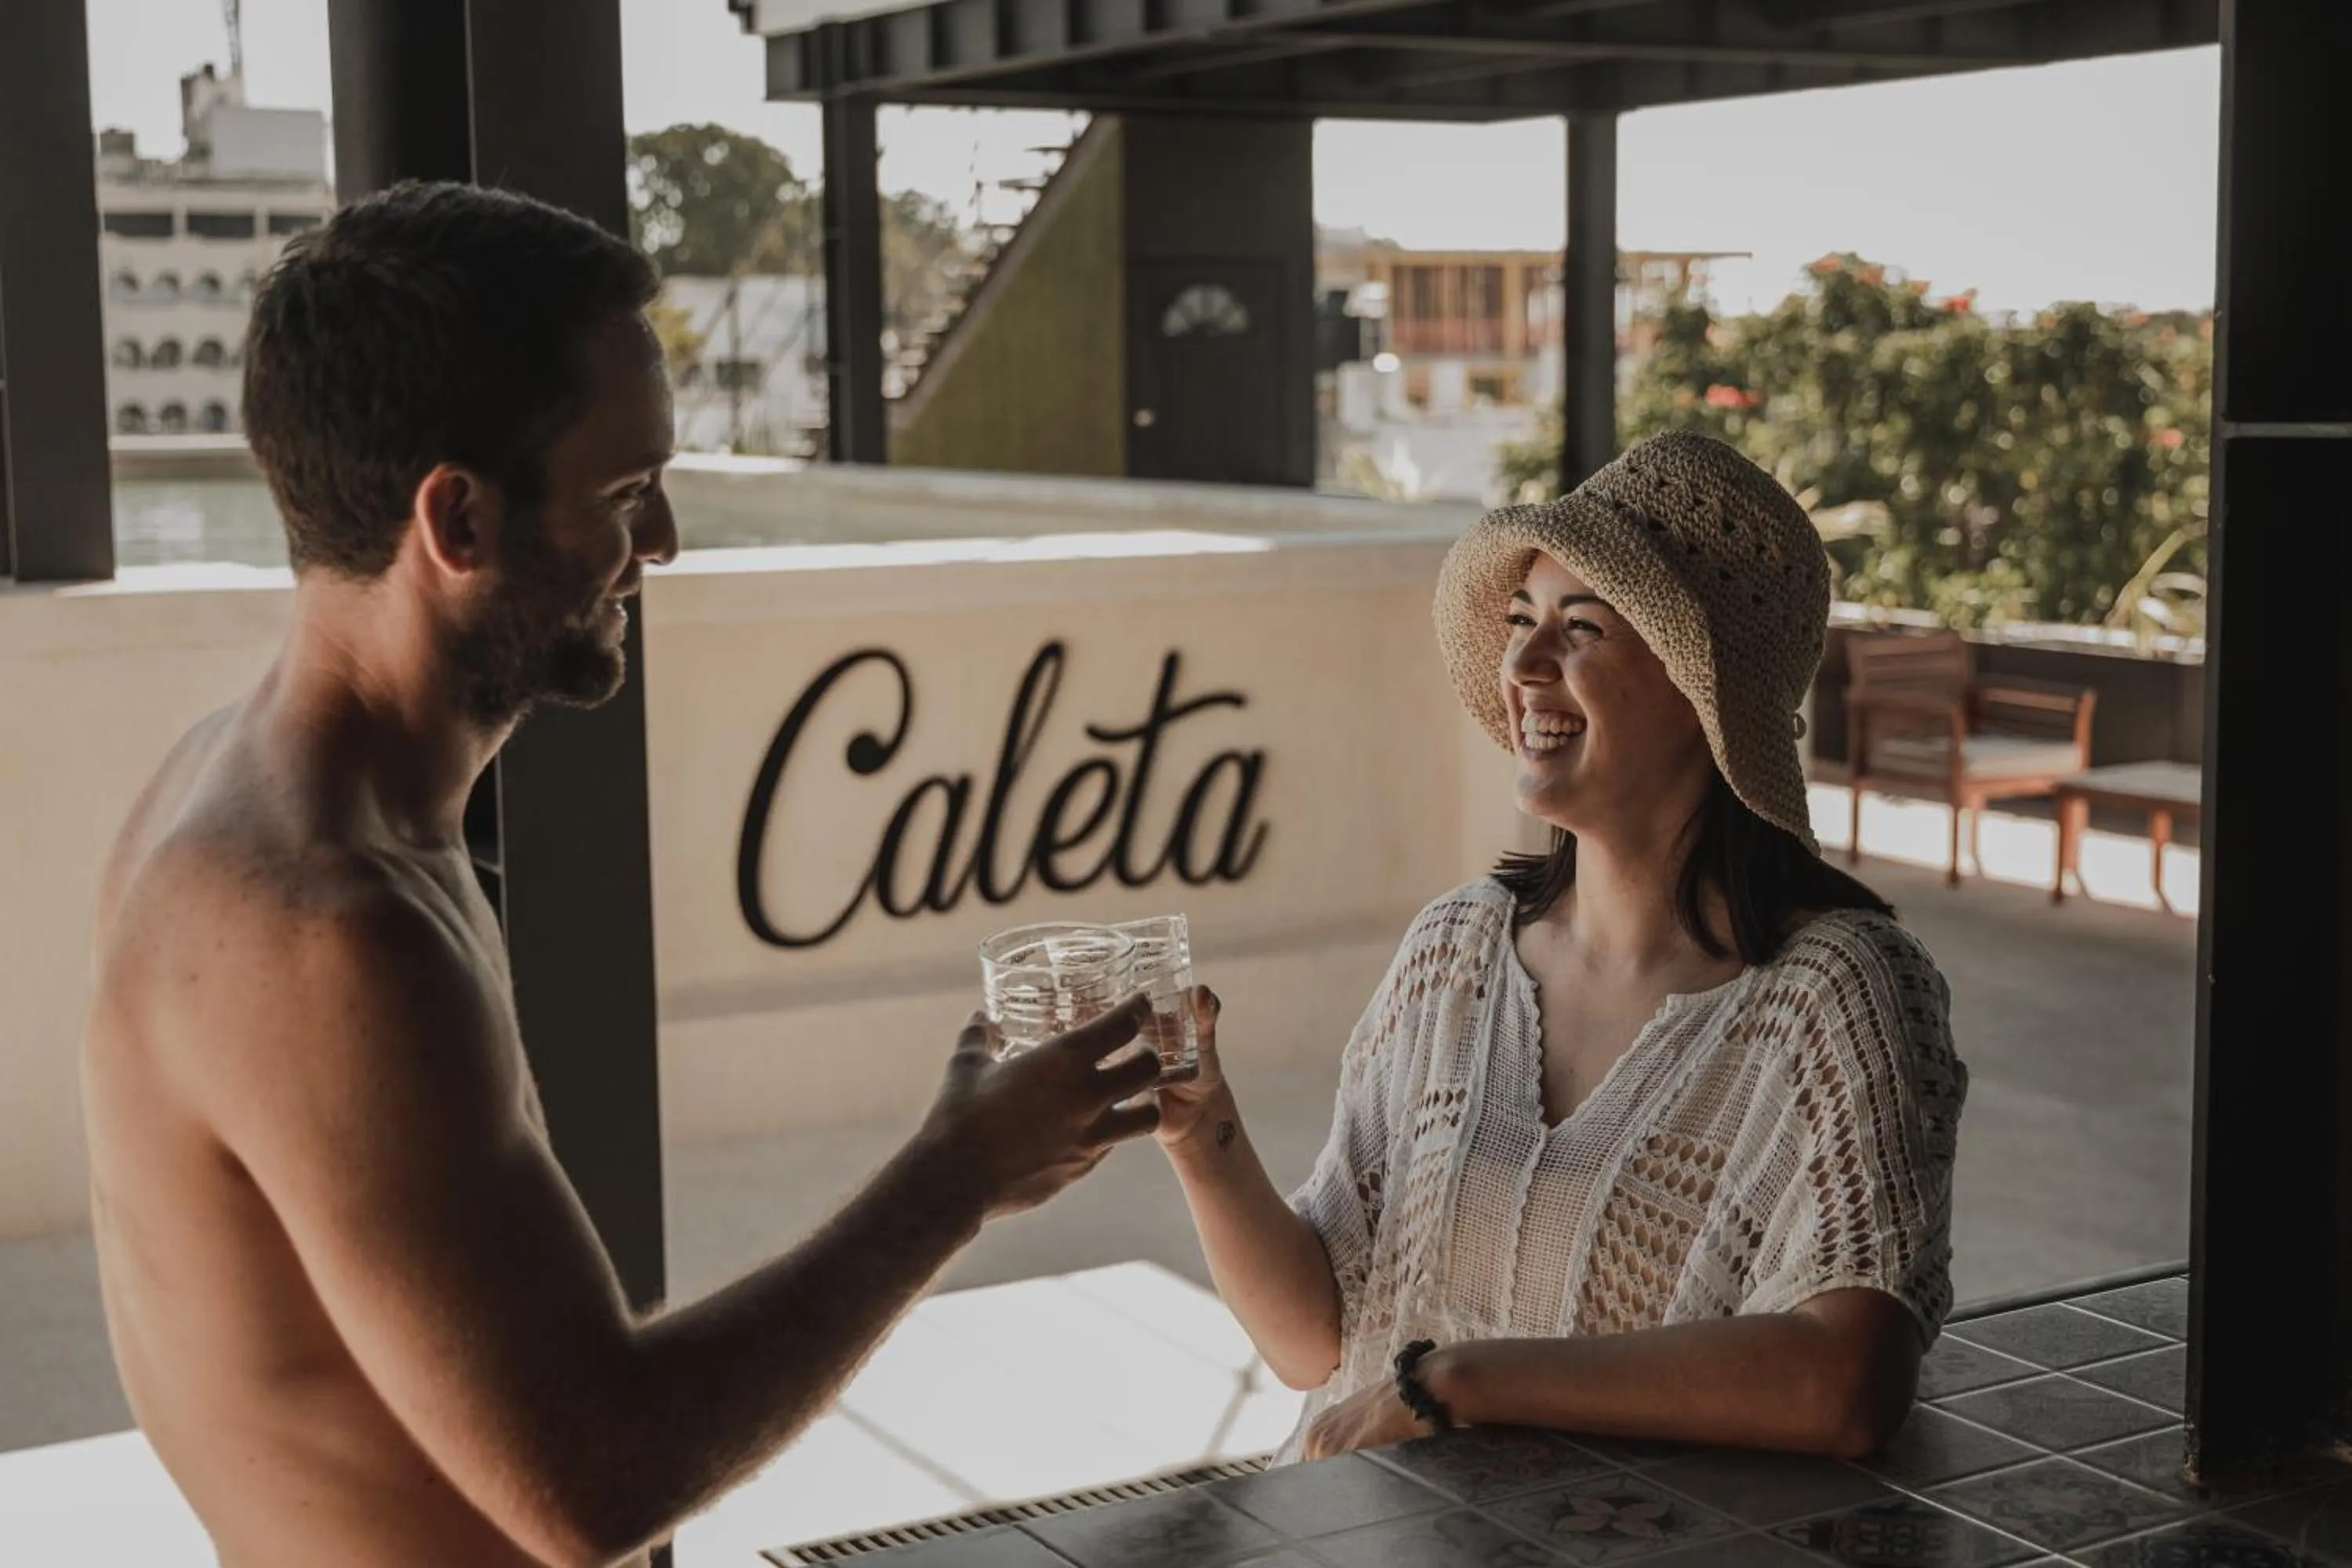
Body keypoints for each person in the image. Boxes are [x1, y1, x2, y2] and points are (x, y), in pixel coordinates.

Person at [79, 181, 1161, 1568]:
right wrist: (956, 1179)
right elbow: (587, 1482)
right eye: (626, 494)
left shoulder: (247, 791)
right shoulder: (322, 929)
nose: (660, 548)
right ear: (456, 521)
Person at [1156, 430, 1966, 1464]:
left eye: (1582, 630)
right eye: (1520, 622)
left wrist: (1455, 1384)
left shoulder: (1838, 996)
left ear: (1702, 690)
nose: (1525, 668)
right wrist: (1200, 1130)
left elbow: (1845, 1382)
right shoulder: (1457, 950)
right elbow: (1314, 1341)